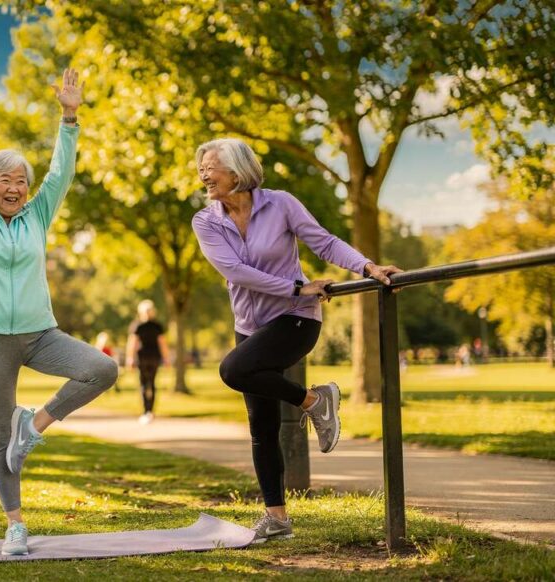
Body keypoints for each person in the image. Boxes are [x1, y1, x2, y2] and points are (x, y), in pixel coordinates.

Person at [0, 64, 117, 556]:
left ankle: (35, 425)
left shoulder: (38, 214)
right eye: (4, 179)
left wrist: (69, 116)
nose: (15, 186)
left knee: (101, 368)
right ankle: (15, 525)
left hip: (41, 332)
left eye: (21, 179)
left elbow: (62, 173)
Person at [191, 137, 401, 543]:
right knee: (261, 426)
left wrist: (367, 266)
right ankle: (278, 518)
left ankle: (315, 402)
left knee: (233, 369)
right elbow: (235, 272)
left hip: (296, 320)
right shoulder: (206, 221)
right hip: (252, 325)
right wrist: (297, 286)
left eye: (211, 165)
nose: (203, 173)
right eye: (201, 166)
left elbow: (323, 241)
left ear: (237, 170)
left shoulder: (281, 203)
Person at [124, 300, 170, 424]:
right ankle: (149, 411)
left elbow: (133, 343)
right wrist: (166, 358)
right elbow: (162, 344)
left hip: (146, 357)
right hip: (151, 357)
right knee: (150, 383)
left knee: (146, 384)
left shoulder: (139, 325)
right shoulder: (155, 326)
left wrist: (130, 358)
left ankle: (147, 411)